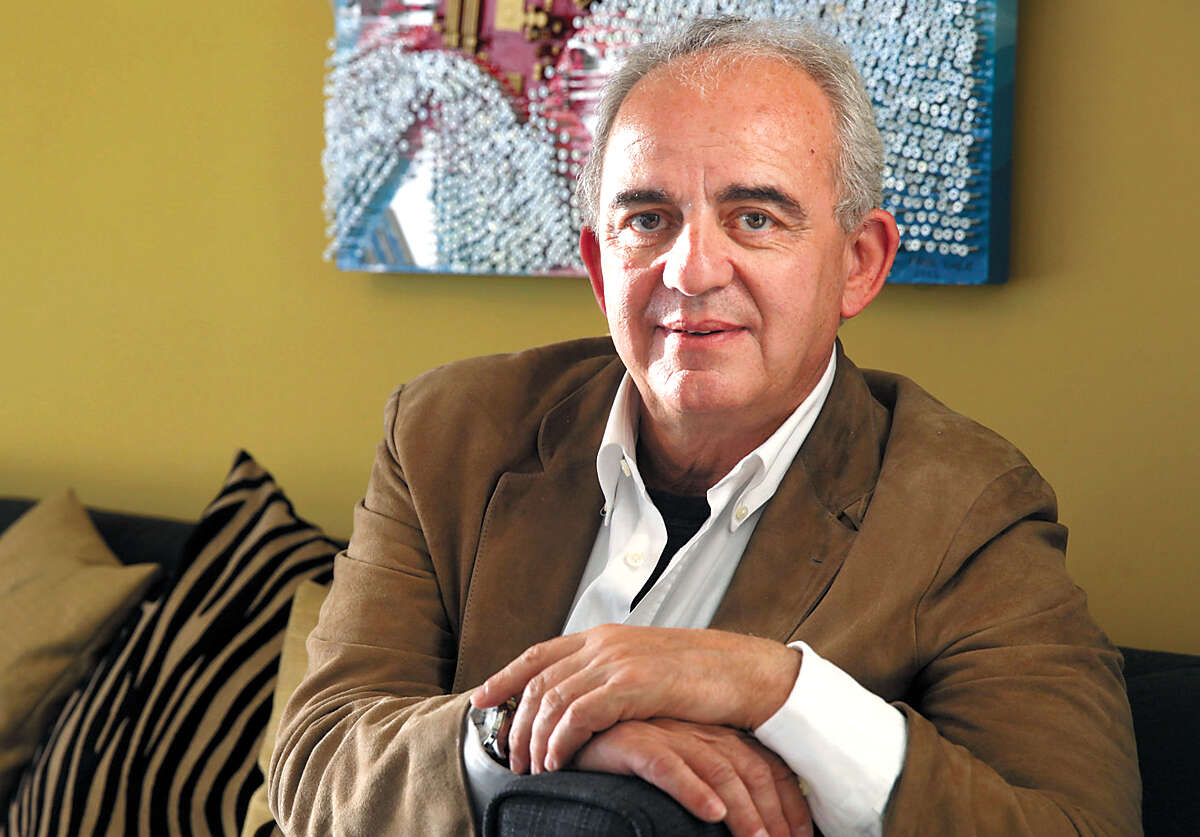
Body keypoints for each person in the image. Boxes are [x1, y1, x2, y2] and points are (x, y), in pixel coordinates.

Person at [268, 16, 1141, 837]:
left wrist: (776, 688)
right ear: (600, 270)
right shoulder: (447, 433)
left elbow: (1078, 823)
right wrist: (533, 731)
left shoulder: (968, 509)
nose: (691, 270)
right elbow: (314, 762)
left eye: (754, 218)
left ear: (859, 263)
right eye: (647, 220)